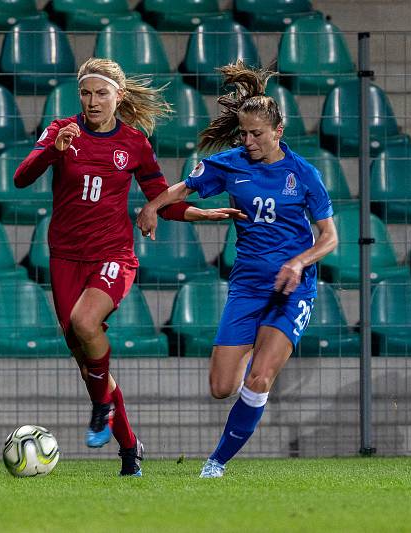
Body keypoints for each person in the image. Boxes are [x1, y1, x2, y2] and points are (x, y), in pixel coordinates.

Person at [13, 58, 244, 477]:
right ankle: (130, 447)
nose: (92, 101)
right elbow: (21, 178)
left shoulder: (134, 143)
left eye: (101, 93)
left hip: (113, 255)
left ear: (118, 96)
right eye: (86, 93)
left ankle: (102, 405)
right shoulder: (61, 131)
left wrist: (204, 215)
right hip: (65, 258)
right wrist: (52, 151)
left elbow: (160, 198)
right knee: (89, 368)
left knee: (87, 323)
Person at [137, 61, 338, 478]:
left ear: (278, 131)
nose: (248, 140)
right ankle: (252, 350)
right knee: (221, 387)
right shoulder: (231, 163)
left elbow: (330, 238)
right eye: (244, 133)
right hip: (247, 284)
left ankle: (217, 462)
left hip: (292, 288)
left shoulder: (304, 175)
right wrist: (153, 205)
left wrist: (299, 262)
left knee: (261, 377)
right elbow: (183, 188)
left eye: (256, 134)